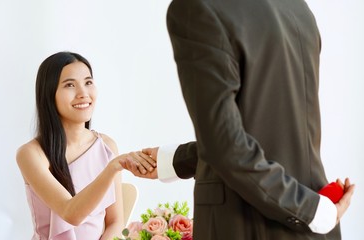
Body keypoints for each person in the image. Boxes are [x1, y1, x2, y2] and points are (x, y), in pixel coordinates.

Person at [122, 0, 355, 239]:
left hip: (250, 224)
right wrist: (173, 161)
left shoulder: (197, 7)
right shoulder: (297, 7)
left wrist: (310, 211)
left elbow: (225, 145)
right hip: (316, 218)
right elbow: (257, 135)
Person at [16, 52, 152, 240]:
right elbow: (70, 212)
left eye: (88, 82)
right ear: (49, 93)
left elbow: (115, 223)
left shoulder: (107, 146)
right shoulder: (31, 154)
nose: (83, 93)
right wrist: (112, 167)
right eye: (70, 85)